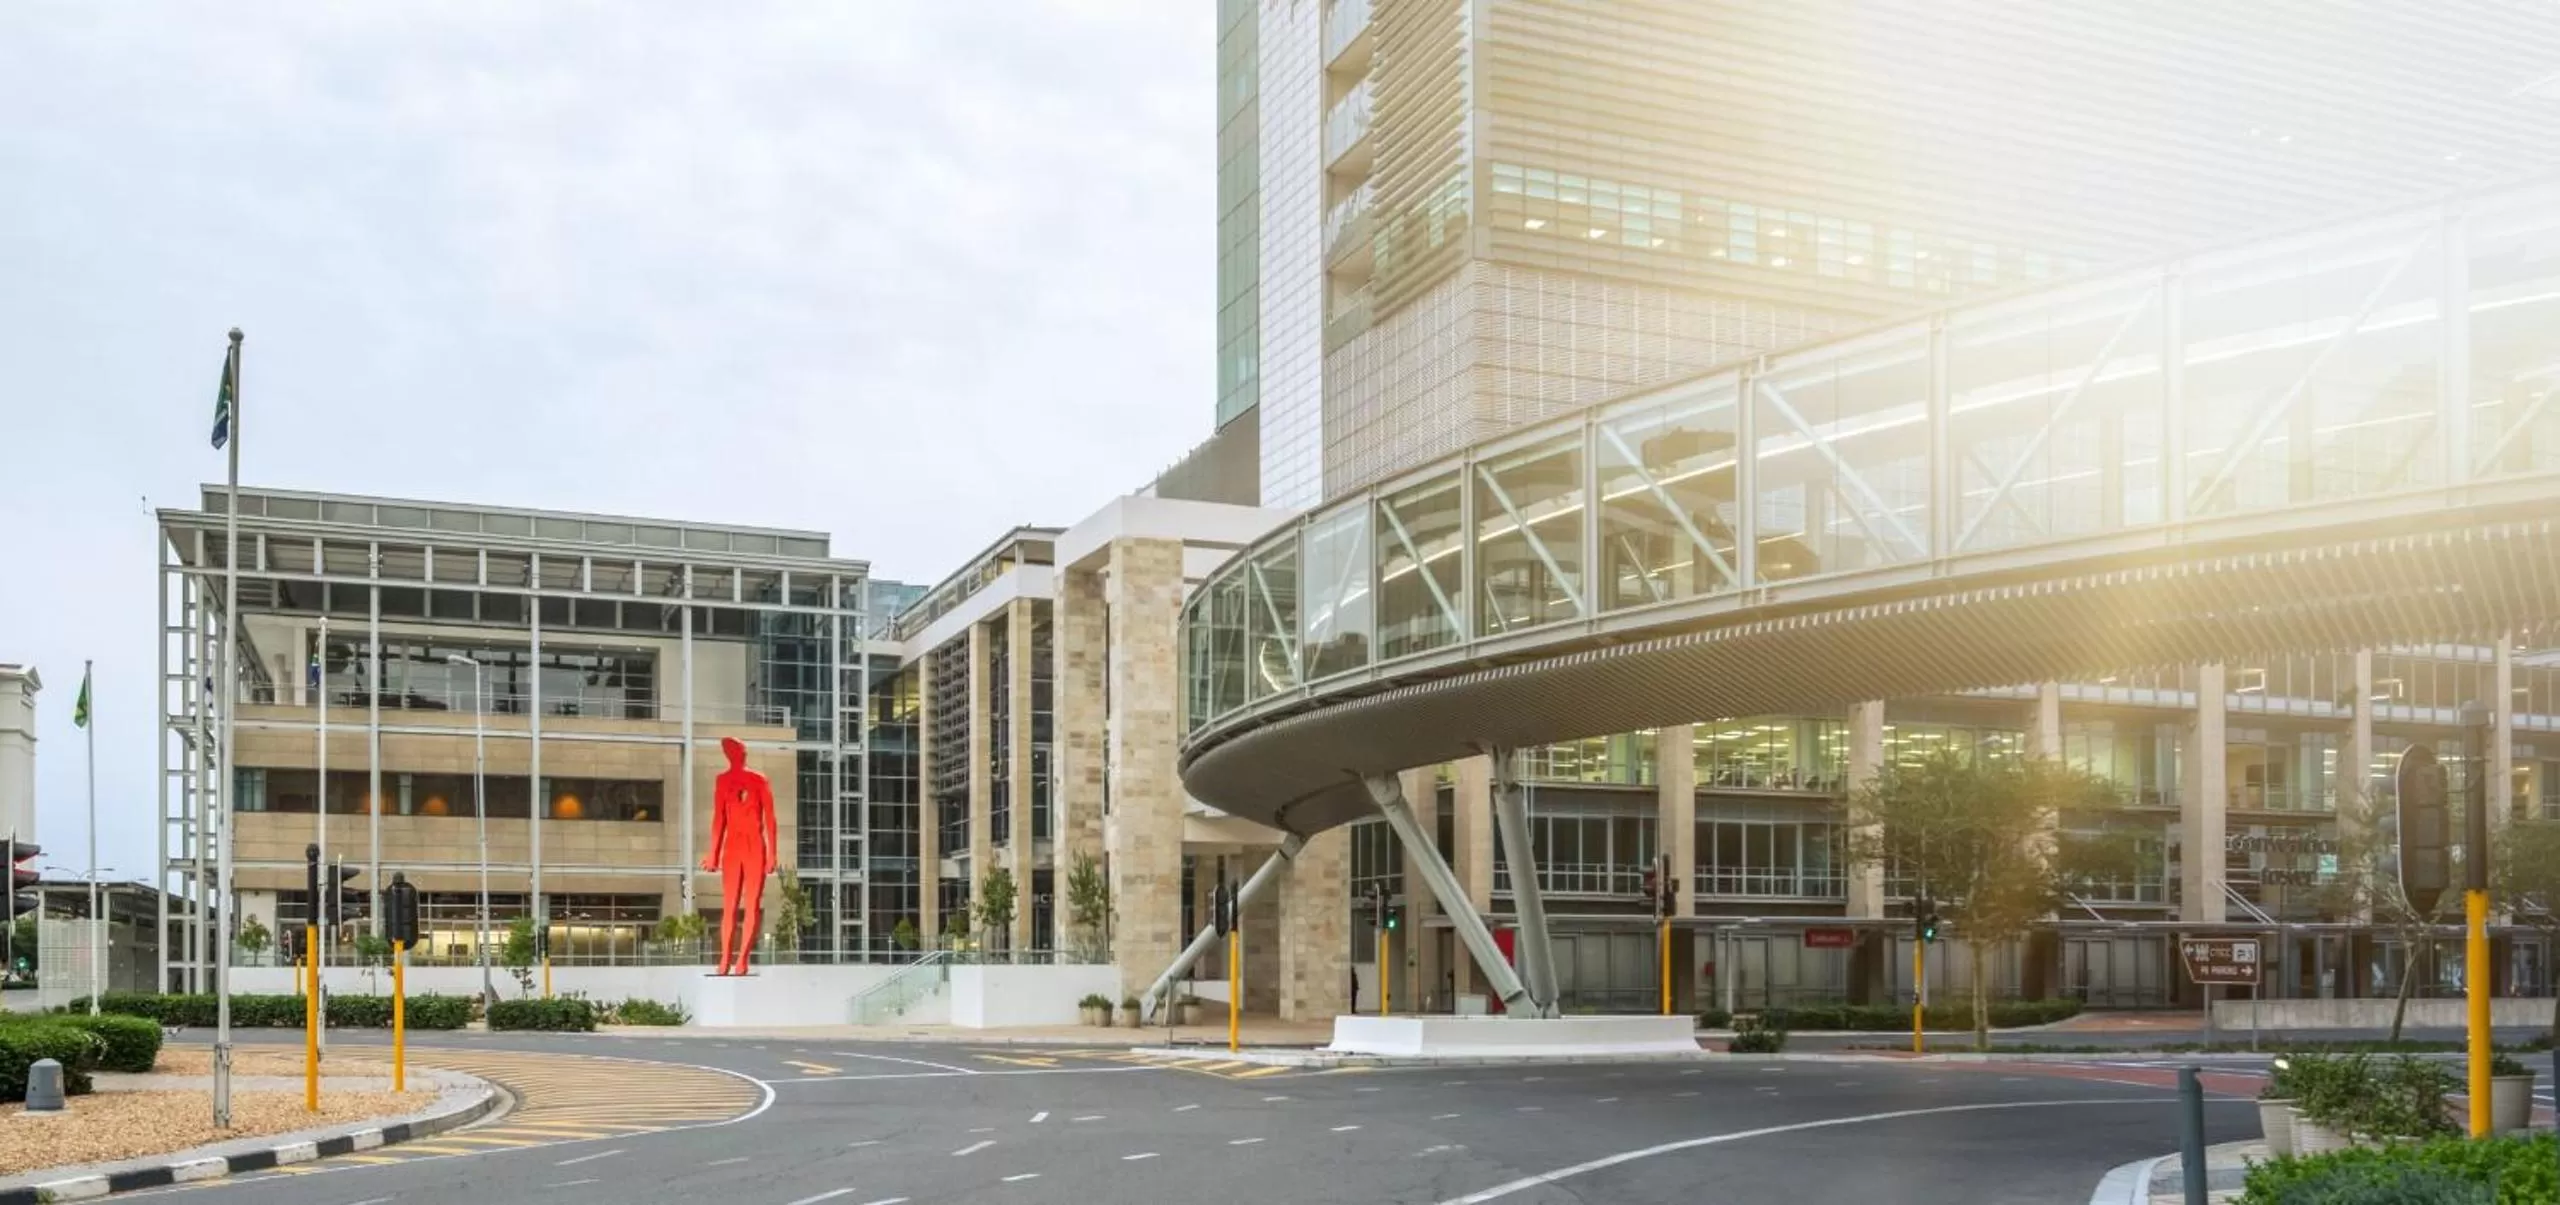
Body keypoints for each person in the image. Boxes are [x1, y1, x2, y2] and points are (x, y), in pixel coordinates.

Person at [701, 736, 777, 976]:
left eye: (740, 750)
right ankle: (724, 958)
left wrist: (772, 854)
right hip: (732, 846)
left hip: (754, 844)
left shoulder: (758, 780)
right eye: (733, 751)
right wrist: (712, 853)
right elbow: (718, 819)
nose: (738, 754)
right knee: (729, 905)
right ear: (728, 754)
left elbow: (770, 819)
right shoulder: (722, 781)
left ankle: (742, 958)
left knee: (752, 903)